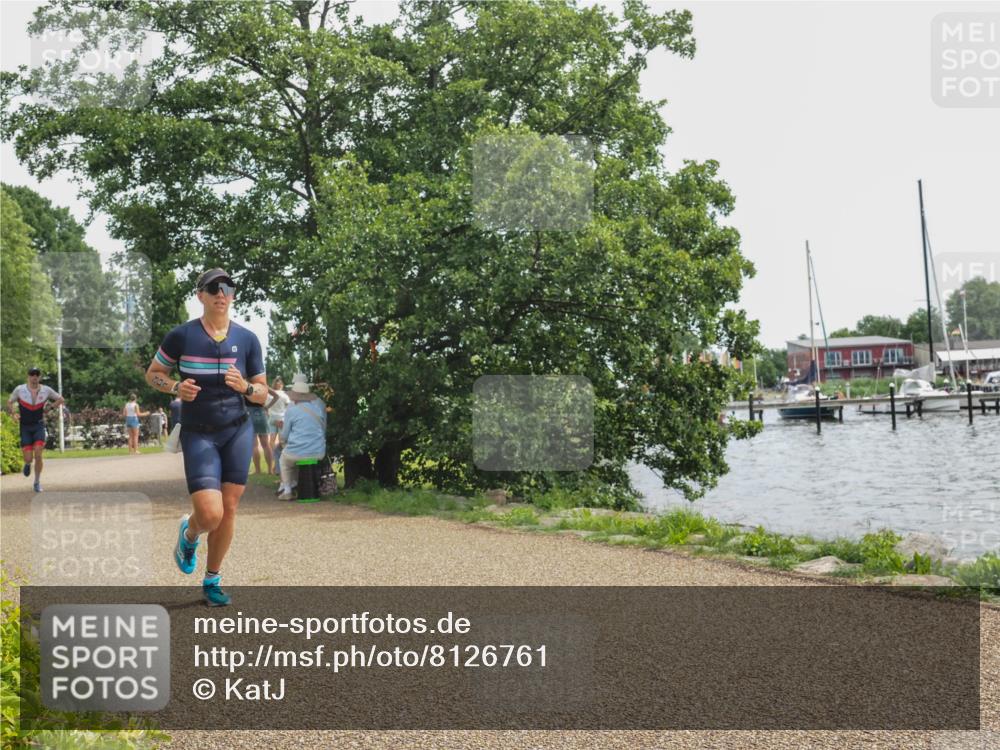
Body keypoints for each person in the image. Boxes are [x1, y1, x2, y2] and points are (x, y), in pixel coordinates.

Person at [144, 268, 267, 607]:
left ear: (233, 295)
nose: (221, 292)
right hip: (199, 433)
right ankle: (190, 533)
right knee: (209, 514)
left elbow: (263, 393)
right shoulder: (181, 336)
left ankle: (212, 579)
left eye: (227, 287)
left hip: (238, 430)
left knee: (228, 509)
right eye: (213, 287)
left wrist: (246, 387)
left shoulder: (248, 339)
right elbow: (153, 374)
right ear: (200, 295)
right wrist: (174, 387)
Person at [6, 366, 65, 492]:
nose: (34, 377)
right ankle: (27, 464)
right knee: (28, 458)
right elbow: (9, 402)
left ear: (39, 377)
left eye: (37, 375)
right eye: (32, 374)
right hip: (25, 426)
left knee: (38, 453)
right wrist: (13, 414)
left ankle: (37, 482)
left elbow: (61, 399)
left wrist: (51, 407)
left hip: (38, 425)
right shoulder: (20, 390)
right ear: (28, 376)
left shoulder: (46, 390)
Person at [277, 378, 326, 501]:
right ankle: (300, 486)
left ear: (295, 396)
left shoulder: (291, 410)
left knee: (284, 459)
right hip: (319, 452)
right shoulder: (317, 409)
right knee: (295, 455)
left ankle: (288, 490)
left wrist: (284, 441)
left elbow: (284, 435)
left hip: (297, 452)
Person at [265, 377, 290, 476]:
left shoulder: (269, 395)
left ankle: (275, 459)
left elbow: (266, 406)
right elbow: (288, 408)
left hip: (272, 418)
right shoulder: (284, 395)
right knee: (281, 442)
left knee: (271, 441)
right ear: (282, 385)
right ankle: (280, 460)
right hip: (281, 419)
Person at [248, 400, 273, 474]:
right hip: (262, 413)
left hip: (250, 414)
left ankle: (258, 470)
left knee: (254, 445)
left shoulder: (246, 388)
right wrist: (267, 407)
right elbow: (276, 396)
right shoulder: (263, 387)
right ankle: (270, 470)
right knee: (266, 445)